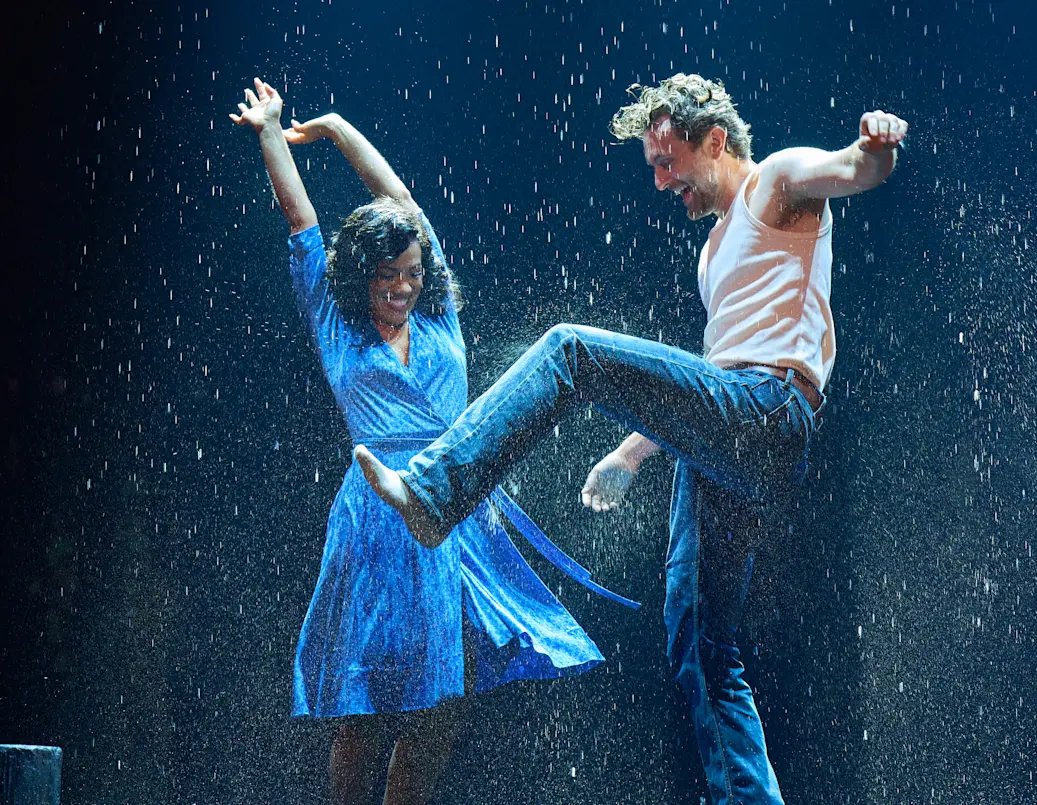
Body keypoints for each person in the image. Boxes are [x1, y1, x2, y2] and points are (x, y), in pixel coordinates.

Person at [354, 73, 908, 804]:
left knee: (569, 350)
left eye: (667, 160)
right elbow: (707, 378)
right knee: (702, 651)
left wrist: (877, 144)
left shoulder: (776, 180)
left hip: (770, 406)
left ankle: (434, 491)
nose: (659, 181)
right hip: (734, 432)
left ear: (714, 140)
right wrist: (628, 453)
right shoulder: (711, 253)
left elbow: (852, 169)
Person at [230, 77, 633, 805]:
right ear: (362, 278)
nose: (404, 288)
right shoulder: (337, 318)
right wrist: (270, 131)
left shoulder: (439, 306)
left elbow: (405, 204)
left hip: (457, 502)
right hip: (378, 516)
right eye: (389, 278)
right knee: (371, 701)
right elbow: (301, 218)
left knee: (452, 691)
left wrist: (340, 128)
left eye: (412, 275)